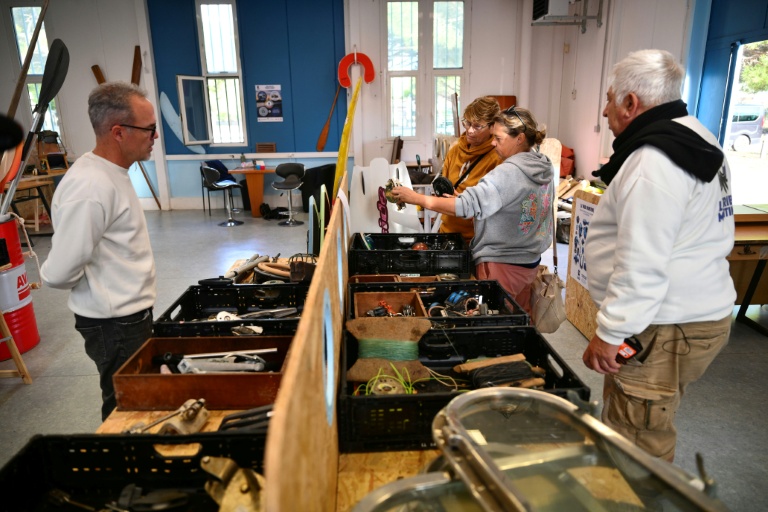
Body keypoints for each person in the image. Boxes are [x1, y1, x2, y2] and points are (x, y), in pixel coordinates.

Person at [582, 49, 735, 462]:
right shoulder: (697, 137)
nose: (604, 111)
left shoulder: (654, 161)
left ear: (631, 103)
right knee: (639, 419)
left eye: (610, 100)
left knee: (636, 441)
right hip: (691, 315)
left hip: (664, 325)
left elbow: (642, 264)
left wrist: (610, 332)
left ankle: (634, 495)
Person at [41, 82, 158, 421]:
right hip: (114, 324)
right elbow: (60, 271)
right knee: (125, 408)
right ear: (118, 132)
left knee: (138, 400)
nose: (155, 136)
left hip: (127, 317)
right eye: (149, 129)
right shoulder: (90, 186)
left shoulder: (112, 173)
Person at [392, 106, 554, 314]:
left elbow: (465, 207)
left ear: (519, 138)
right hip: (529, 262)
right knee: (519, 318)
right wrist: (469, 200)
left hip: (502, 263)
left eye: (498, 138)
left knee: (493, 320)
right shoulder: (542, 166)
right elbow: (514, 206)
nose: (493, 143)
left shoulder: (507, 173)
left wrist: (417, 198)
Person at [436, 96, 502, 243]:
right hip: (447, 233)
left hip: (476, 241)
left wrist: (465, 204)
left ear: (492, 127)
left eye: (477, 126)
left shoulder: (497, 158)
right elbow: (444, 190)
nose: (470, 130)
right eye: (467, 123)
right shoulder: (455, 151)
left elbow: (497, 210)